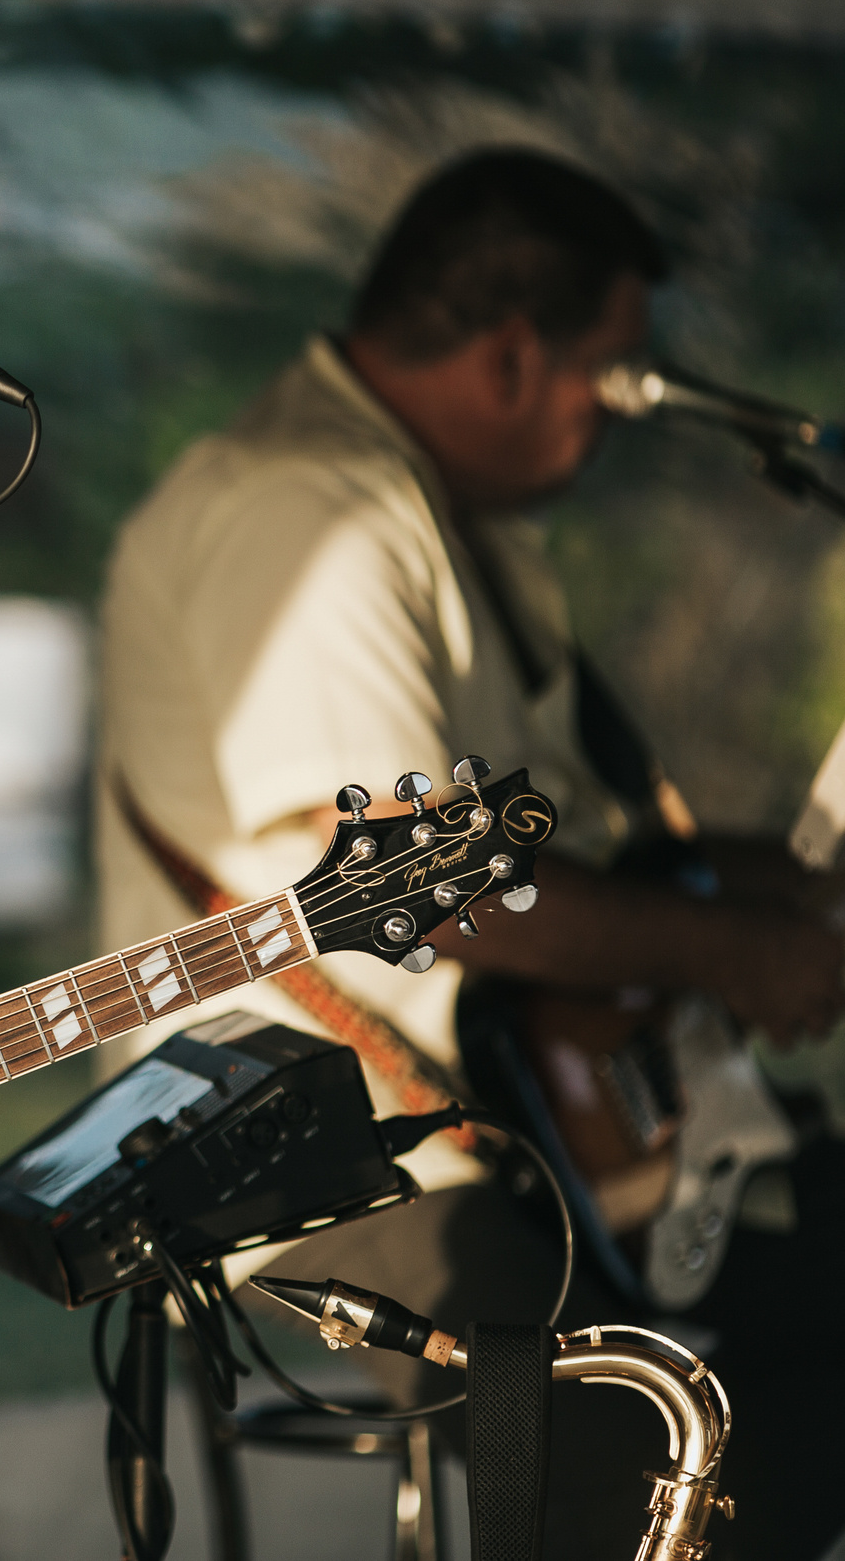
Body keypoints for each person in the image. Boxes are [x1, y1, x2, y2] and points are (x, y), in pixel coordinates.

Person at [93, 148, 845, 1557]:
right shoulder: (313, 512)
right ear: (512, 357)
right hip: (324, 1155)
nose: (615, 417)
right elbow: (453, 904)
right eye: (614, 375)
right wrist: (744, 951)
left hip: (490, 1118)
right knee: (663, 1466)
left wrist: (769, 887)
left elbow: (555, 840)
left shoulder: (422, 505)